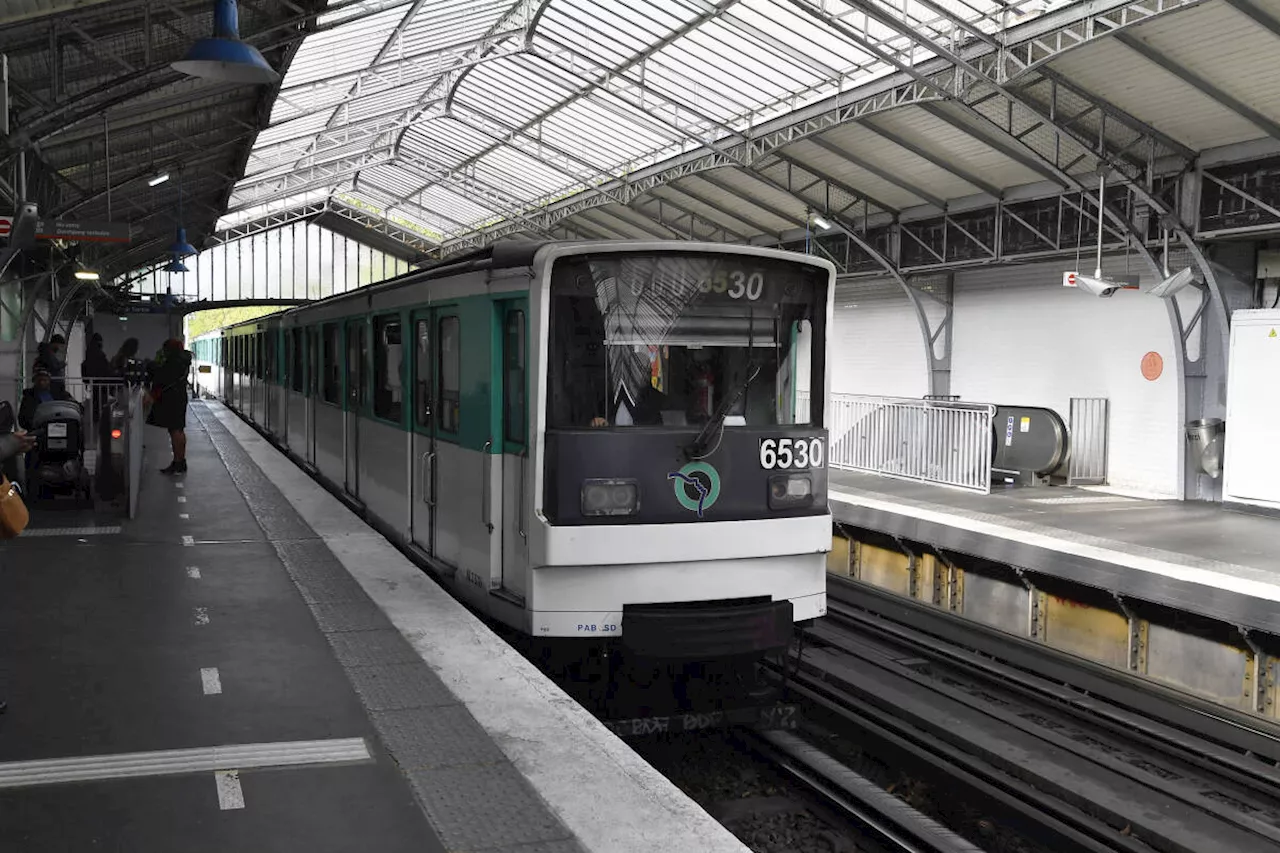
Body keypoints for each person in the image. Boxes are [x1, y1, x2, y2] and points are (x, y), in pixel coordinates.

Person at [146, 338, 192, 474]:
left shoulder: (174, 362)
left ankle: (178, 462)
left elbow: (163, 376)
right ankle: (180, 461)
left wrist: (152, 366)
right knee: (178, 429)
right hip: (179, 397)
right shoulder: (182, 360)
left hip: (173, 399)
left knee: (175, 430)